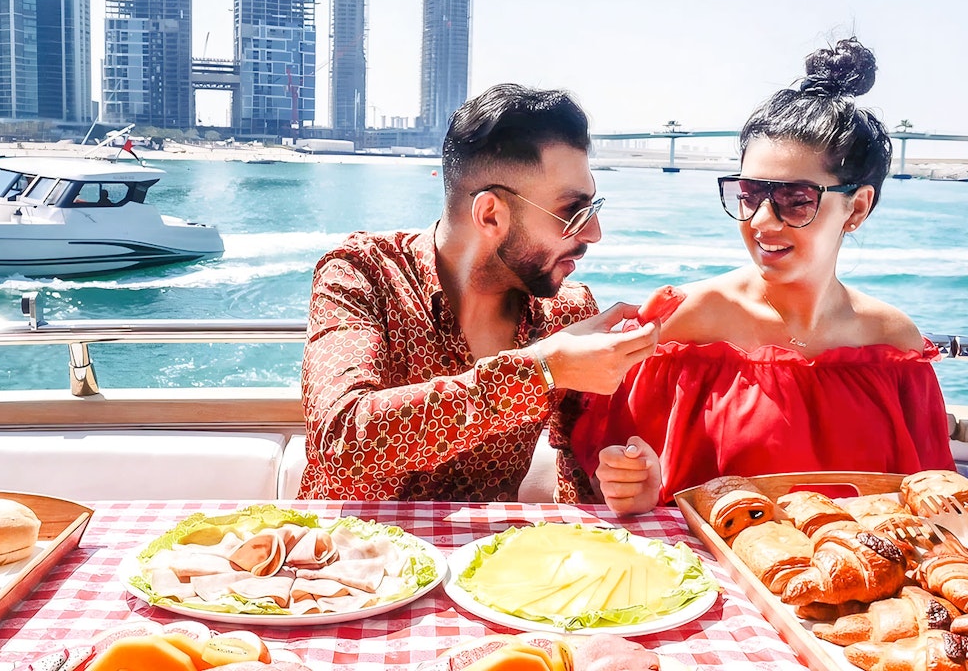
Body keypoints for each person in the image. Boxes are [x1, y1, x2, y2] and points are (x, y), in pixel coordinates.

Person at [562, 38, 956, 514]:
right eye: (749, 195)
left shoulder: (894, 346)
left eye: (796, 199)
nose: (762, 221)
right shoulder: (683, 326)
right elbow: (621, 486)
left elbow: (932, 508)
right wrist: (635, 487)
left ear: (857, 208)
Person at [297, 83, 662, 501]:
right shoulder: (361, 273)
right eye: (571, 213)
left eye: (592, 210)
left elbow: (581, 469)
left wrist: (621, 484)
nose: (594, 234)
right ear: (490, 214)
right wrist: (541, 369)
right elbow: (340, 442)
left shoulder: (568, 313)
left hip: (488, 562)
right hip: (349, 557)